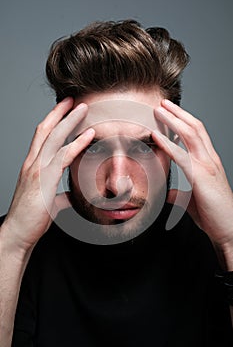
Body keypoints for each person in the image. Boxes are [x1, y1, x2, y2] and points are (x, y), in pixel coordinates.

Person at [0, 19, 233, 347]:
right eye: (94, 147)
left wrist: (230, 242)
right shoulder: (14, 249)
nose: (118, 184)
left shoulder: (214, 246)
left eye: (144, 146)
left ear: (176, 143)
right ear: (63, 146)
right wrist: (12, 244)